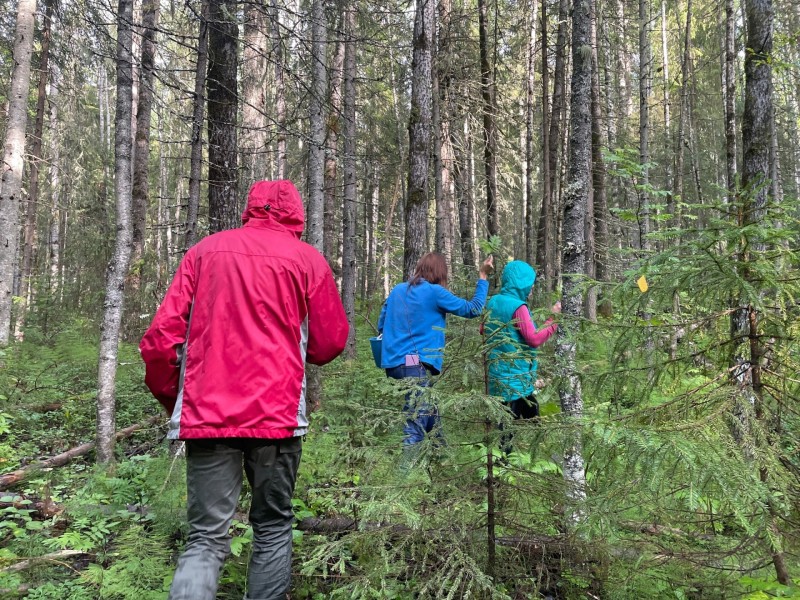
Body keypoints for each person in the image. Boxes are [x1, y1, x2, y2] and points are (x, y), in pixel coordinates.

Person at [140, 180, 348, 600]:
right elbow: (330, 343)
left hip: (207, 417)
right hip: (278, 418)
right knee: (272, 526)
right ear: (295, 214)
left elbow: (161, 341)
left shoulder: (205, 251)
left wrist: (174, 401)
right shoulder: (307, 260)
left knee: (205, 539)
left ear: (250, 207)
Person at [378, 252, 493, 448]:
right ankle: (406, 475)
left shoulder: (397, 290)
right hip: (414, 364)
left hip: (394, 364)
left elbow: (381, 324)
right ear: (440, 273)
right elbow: (473, 309)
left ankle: (442, 460)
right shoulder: (434, 292)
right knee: (415, 424)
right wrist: (483, 276)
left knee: (430, 415)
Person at [483, 260, 560, 452]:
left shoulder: (493, 301)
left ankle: (540, 451)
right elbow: (534, 339)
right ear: (520, 284)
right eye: (529, 285)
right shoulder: (519, 307)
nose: (531, 289)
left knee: (531, 412)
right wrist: (554, 318)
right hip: (514, 378)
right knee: (507, 430)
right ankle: (504, 469)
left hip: (498, 375)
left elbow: (483, 329)